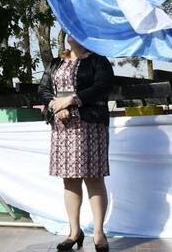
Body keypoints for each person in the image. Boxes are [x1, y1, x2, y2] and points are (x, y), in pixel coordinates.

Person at [38, 36, 115, 252]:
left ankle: (99, 232)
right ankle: (74, 232)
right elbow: (43, 90)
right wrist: (56, 105)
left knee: (94, 177)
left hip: (90, 125)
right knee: (70, 180)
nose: (69, 34)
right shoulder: (56, 63)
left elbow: (104, 86)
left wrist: (72, 100)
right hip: (63, 128)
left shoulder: (98, 60)